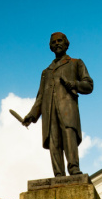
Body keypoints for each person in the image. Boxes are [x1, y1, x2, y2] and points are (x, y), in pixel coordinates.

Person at [22, 32, 94, 177]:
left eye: (60, 41)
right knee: (54, 142)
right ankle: (58, 174)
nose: (57, 44)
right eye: (53, 42)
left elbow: (89, 85)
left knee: (69, 137)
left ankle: (73, 168)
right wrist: (32, 115)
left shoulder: (76, 63)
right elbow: (40, 97)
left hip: (67, 110)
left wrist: (73, 84)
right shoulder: (46, 72)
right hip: (49, 113)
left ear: (66, 44)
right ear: (50, 47)